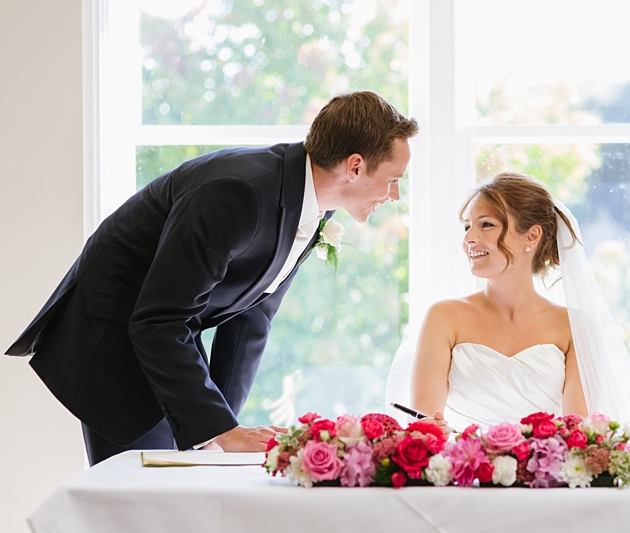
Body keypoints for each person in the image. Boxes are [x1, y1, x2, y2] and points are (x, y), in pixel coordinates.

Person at [6, 91, 418, 465]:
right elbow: (158, 319)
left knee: (191, 488)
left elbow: (252, 319)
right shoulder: (238, 192)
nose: (394, 195)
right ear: (355, 166)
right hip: (111, 337)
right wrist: (219, 429)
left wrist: (224, 429)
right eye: (393, 179)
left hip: (162, 337)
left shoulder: (313, 206)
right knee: (140, 505)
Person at [405, 172, 630, 432]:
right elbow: (422, 426)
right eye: (467, 226)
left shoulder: (573, 326)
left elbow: (576, 436)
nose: (469, 238)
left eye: (486, 224)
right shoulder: (444, 317)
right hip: (462, 469)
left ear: (532, 236)